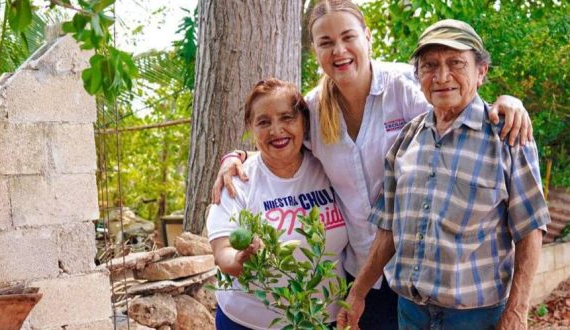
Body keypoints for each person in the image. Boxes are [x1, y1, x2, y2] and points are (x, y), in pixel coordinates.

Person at [212, 1, 535, 328]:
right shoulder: (311, 109)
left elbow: (458, 105)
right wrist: (236, 158)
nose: (339, 50)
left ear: (367, 37)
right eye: (326, 43)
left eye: (348, 37)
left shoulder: (402, 87)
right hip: (360, 274)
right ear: (315, 51)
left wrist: (507, 103)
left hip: (415, 271)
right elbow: (281, 144)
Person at [337, 19, 550, 330]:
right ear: (419, 75)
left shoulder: (507, 136)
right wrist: (357, 294)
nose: (442, 76)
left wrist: (517, 313)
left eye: (456, 63)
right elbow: (387, 230)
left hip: (477, 318)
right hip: (410, 313)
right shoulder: (407, 139)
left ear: (481, 72)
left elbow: (530, 231)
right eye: (430, 65)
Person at [207, 78, 349, 329]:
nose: (276, 130)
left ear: (304, 122)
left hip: (322, 319)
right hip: (246, 322)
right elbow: (222, 252)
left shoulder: (330, 167)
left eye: (287, 118)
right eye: (264, 122)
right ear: (251, 127)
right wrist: (239, 259)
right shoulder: (236, 181)